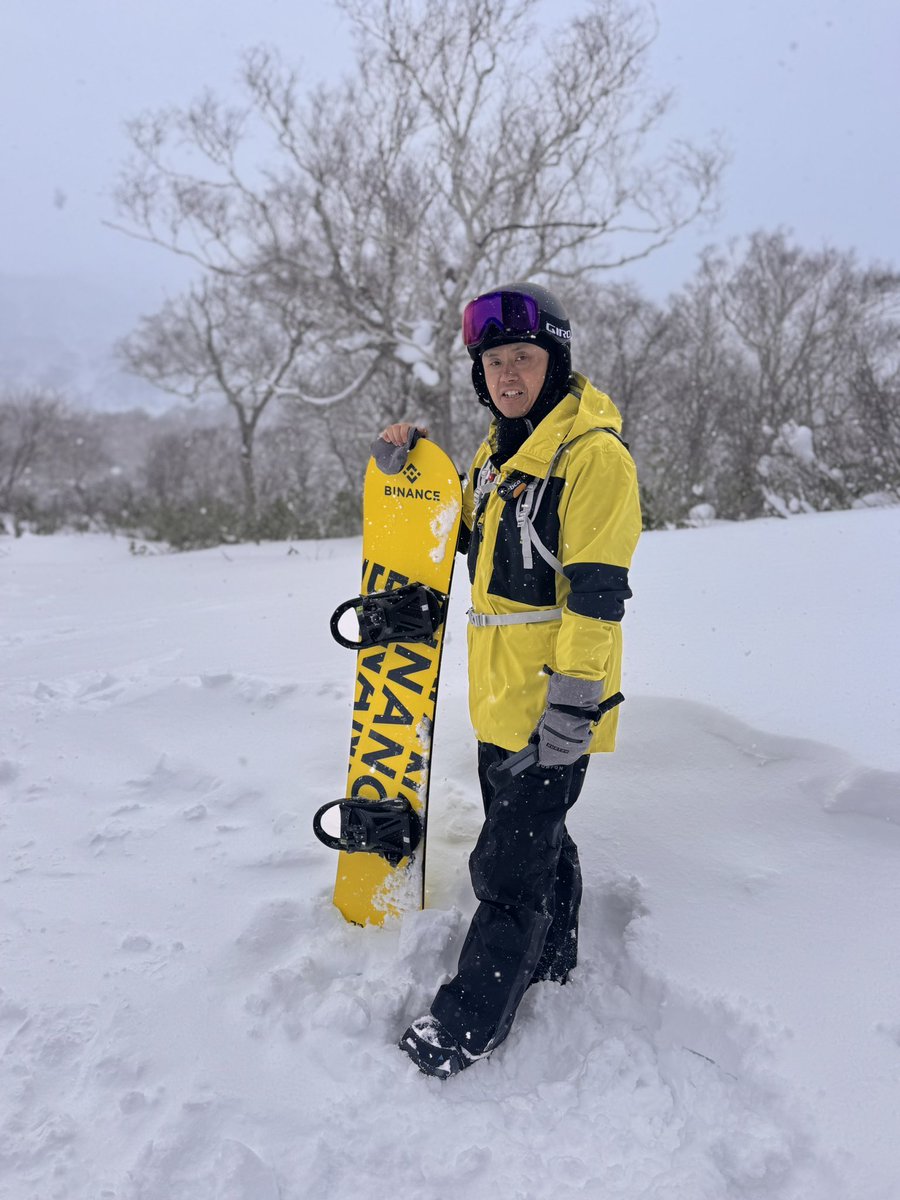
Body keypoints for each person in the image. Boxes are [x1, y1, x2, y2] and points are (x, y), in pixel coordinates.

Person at [380, 283, 642, 1078]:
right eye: (494, 363)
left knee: (505, 871)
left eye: (523, 359)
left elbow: (596, 599)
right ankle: (552, 957)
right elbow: (453, 535)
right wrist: (408, 464)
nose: (508, 375)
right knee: (539, 844)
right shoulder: (498, 459)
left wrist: (573, 706)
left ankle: (469, 1023)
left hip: (552, 709)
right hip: (500, 704)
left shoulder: (590, 457)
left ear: (555, 362)